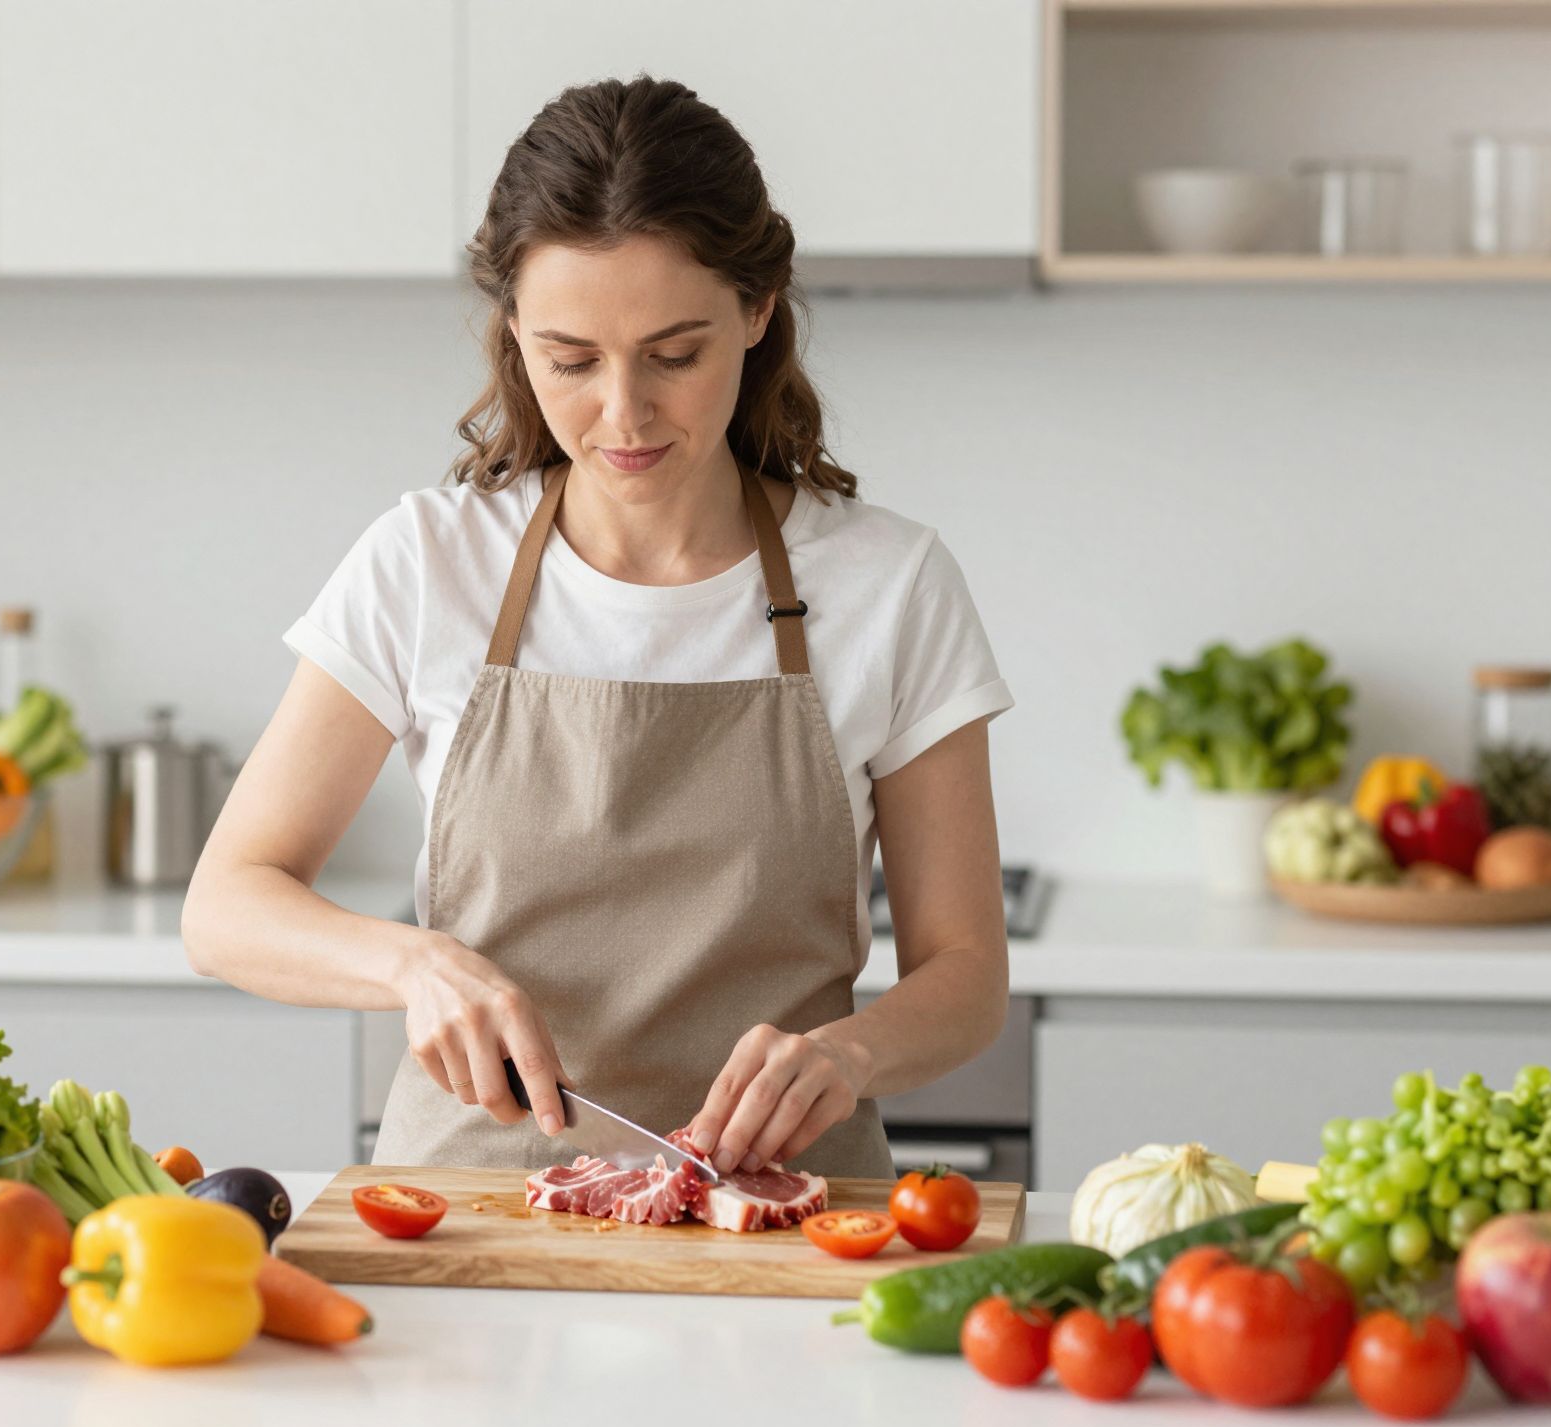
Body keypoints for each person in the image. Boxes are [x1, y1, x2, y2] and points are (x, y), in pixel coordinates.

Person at [183, 76, 1013, 1180]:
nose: (622, 414)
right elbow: (226, 905)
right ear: (513, 331)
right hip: (476, 1217)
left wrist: (850, 1054)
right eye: (570, 359)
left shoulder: (888, 582)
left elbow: (965, 972)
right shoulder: (429, 562)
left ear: (757, 312)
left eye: (674, 354)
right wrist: (410, 966)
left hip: (780, 1220)